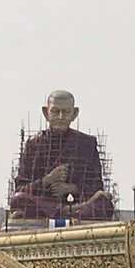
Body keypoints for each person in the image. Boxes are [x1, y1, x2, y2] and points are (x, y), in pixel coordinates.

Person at [9, 90, 115, 222]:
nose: (60, 117)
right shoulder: (34, 144)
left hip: (78, 204)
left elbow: (97, 187)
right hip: (45, 203)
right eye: (55, 111)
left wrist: (70, 188)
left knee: (105, 204)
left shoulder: (86, 143)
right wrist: (47, 180)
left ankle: (64, 212)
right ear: (45, 113)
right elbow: (20, 188)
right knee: (18, 199)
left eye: (65, 112)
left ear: (74, 113)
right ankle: (67, 213)